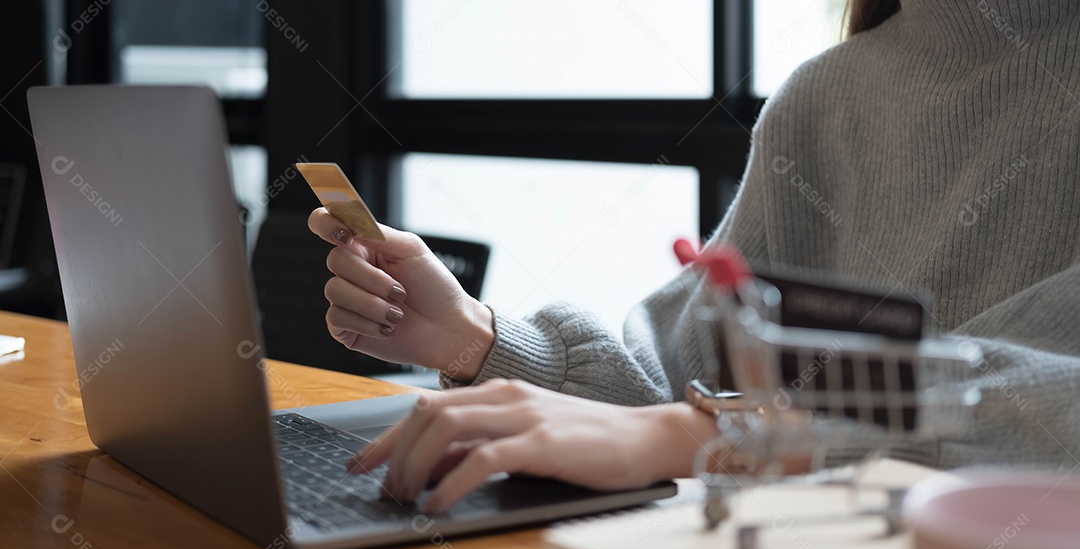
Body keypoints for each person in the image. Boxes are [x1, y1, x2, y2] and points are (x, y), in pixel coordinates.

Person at [308, 0, 1080, 514]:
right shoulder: (823, 95)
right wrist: (474, 339)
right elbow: (674, 393)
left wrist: (711, 437)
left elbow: (1055, 417)